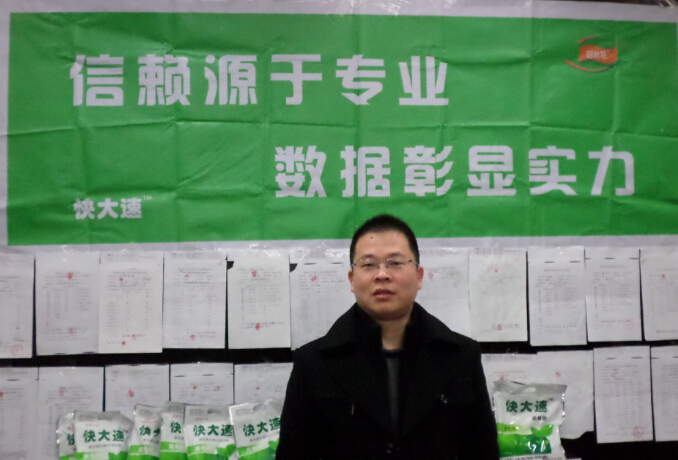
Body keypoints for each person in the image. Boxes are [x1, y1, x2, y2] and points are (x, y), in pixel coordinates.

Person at [276, 214, 499, 460]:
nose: (382, 274)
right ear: (352, 279)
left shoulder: (461, 356)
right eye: (368, 264)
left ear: (419, 276)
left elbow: (483, 452)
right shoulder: (313, 364)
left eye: (395, 263)